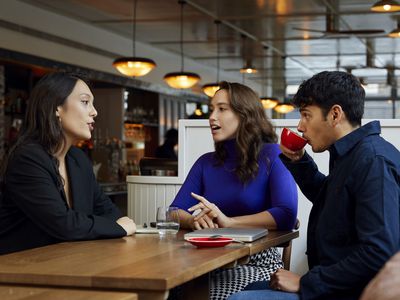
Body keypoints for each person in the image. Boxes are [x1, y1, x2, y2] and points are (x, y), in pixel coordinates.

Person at [228, 71, 400, 300]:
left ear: (335, 114)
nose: (300, 126)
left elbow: (380, 252)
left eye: (307, 115)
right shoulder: (353, 153)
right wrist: (299, 161)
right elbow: (330, 198)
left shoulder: (373, 161)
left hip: (350, 293)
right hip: (334, 285)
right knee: (247, 290)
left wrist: (305, 281)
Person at [170, 81, 298, 299]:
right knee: (169, 292)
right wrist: (193, 221)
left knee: (198, 295)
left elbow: (286, 214)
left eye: (222, 109)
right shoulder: (205, 162)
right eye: (211, 109)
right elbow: (174, 211)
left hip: (257, 262)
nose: (212, 116)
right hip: (204, 262)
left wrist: (229, 222)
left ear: (245, 114)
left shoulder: (273, 155)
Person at [0, 72, 136, 255]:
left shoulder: (78, 158)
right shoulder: (27, 159)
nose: (94, 111)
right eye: (85, 102)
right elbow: (62, 224)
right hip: (18, 270)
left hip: (64, 261)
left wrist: (117, 224)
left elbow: (107, 210)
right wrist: (118, 228)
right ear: (57, 107)